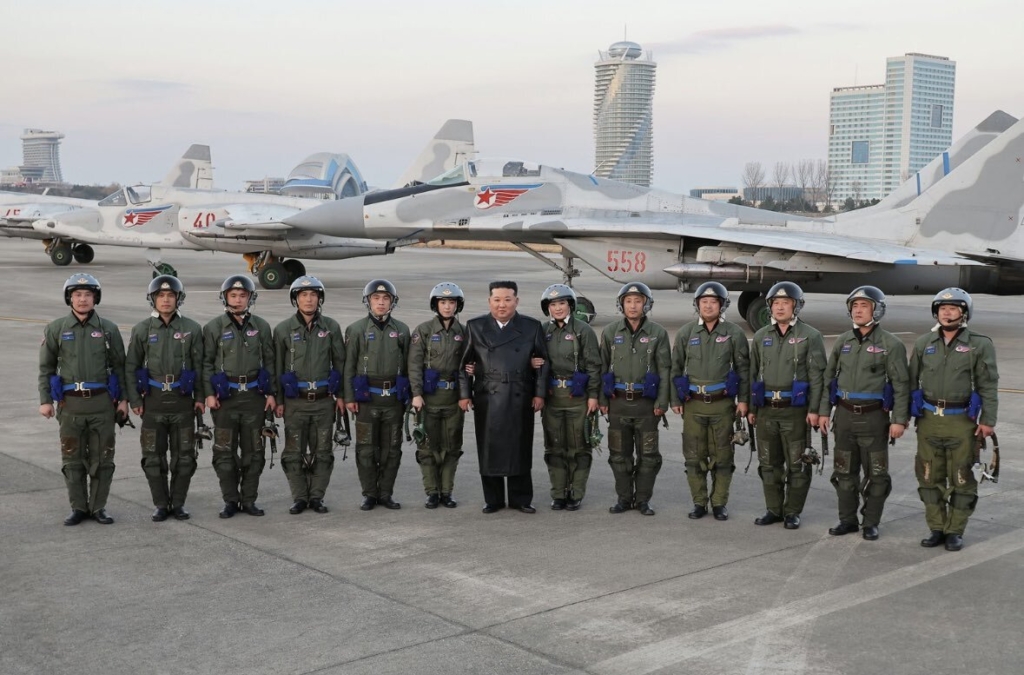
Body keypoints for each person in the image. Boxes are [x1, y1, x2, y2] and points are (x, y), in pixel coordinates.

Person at [909, 288, 998, 551]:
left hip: (962, 423)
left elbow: (988, 386)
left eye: (953, 308)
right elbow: (911, 381)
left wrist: (988, 420)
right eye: (942, 309)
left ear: (964, 312)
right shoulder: (924, 343)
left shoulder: (980, 344)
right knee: (928, 476)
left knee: (961, 477)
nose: (947, 313)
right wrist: (901, 417)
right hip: (928, 420)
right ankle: (936, 528)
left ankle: (955, 531)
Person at [818, 286, 909, 540]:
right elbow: (829, 378)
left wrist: (899, 420)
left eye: (864, 306)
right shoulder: (842, 341)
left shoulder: (891, 344)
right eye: (855, 306)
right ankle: (847, 520)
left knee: (876, 473)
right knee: (844, 471)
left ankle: (870, 522)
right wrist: (824, 411)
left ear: (876, 310)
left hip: (874, 418)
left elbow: (901, 384)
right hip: (844, 417)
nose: (858, 311)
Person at [38, 273, 128, 525]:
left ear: (95, 298)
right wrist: (45, 400)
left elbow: (120, 367)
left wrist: (123, 400)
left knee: (103, 458)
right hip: (70, 405)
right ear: (69, 298)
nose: (82, 299)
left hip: (102, 404)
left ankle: (98, 507)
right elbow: (46, 369)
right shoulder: (56, 329)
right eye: (77, 295)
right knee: (72, 458)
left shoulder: (108, 329)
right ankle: (78, 507)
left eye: (88, 295)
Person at [459, 280, 549, 514]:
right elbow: (464, 364)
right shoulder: (475, 326)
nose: (502, 305)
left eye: (507, 299)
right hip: (488, 396)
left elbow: (542, 363)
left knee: (520, 446)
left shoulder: (531, 327)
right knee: (489, 447)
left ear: (516, 301)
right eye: (497, 300)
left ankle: (521, 499)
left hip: (520, 395)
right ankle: (493, 499)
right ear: (489, 301)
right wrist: (464, 394)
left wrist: (539, 394)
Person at [747, 282, 826, 530]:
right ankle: (773, 509)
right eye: (776, 303)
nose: (780, 307)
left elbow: (817, 377)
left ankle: (792, 511)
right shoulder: (761, 336)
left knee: (798, 464)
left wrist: (815, 410)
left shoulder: (810, 336)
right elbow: (752, 375)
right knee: (768, 463)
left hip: (795, 411)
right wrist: (751, 408)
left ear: (796, 306)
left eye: (785, 303)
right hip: (766, 410)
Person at [125, 275, 205, 522]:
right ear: (153, 299)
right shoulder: (142, 330)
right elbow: (130, 367)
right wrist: (135, 402)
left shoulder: (191, 329)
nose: (166, 300)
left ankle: (178, 503)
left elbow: (200, 367)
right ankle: (160, 503)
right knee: (152, 456)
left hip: (182, 402)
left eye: (171, 295)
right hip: (154, 402)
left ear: (178, 299)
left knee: (184, 456)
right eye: (161, 296)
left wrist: (200, 398)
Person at [670, 281, 750, 521]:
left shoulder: (734, 333)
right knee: (694, 457)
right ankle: (699, 502)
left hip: (723, 405)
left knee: (723, 456)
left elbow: (743, 370)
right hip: (693, 405)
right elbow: (675, 368)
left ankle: (718, 503)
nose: (707, 306)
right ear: (697, 305)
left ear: (722, 305)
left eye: (713, 302)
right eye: (703, 302)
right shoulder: (686, 333)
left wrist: (743, 400)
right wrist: (675, 399)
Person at [202, 275, 276, 518]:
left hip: (254, 398)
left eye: (242, 295)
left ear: (250, 298)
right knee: (224, 452)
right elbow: (207, 364)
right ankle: (230, 501)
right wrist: (209, 394)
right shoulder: (213, 328)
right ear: (225, 298)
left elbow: (270, 362)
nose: (238, 300)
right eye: (233, 295)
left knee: (254, 452)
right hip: (226, 399)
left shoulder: (262, 327)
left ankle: (249, 500)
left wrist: (271, 393)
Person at [273, 276, 346, 515]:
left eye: (313, 295)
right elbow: (277, 368)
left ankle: (317, 497)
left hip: (324, 401)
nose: (308, 299)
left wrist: (342, 397)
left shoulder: (331, 327)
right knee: (294, 453)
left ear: (319, 299)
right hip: (295, 403)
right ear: (295, 299)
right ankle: (299, 497)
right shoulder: (283, 330)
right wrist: (279, 401)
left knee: (323, 452)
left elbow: (340, 364)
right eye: (303, 295)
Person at [598, 282, 670, 516]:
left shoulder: (658, 333)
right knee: (619, 455)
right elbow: (601, 368)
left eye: (638, 301)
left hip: (646, 405)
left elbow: (665, 370)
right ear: (621, 305)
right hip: (618, 403)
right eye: (628, 301)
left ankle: (642, 500)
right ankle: (623, 498)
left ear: (646, 304)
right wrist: (602, 399)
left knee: (648, 456)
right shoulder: (610, 332)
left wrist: (662, 402)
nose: (632, 306)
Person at [343, 279, 410, 511]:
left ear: (392, 302)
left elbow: (410, 366)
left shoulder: (402, 330)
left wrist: (409, 398)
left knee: (392, 448)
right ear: (368, 301)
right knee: (366, 449)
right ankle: (369, 494)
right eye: (376, 298)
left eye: (385, 299)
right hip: (366, 400)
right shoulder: (356, 330)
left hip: (393, 400)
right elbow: (348, 367)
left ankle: (386, 494)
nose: (381, 303)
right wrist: (350, 397)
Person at [539, 284, 601, 510]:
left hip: (578, 398)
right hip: (552, 397)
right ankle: (558, 493)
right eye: (553, 304)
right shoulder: (543, 331)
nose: (558, 308)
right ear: (548, 308)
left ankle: (576, 493)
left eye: (562, 303)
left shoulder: (583, 331)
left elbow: (594, 366)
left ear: (570, 306)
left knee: (579, 447)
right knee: (554, 447)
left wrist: (593, 396)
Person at [408, 282, 468, 509]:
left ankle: (447, 491)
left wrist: (466, 394)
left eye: (451, 302)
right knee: (427, 447)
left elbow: (469, 365)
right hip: (428, 398)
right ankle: (432, 491)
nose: (447, 306)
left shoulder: (463, 333)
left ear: (457, 305)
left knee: (452, 447)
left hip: (453, 398)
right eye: (443, 302)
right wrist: (416, 394)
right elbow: (414, 365)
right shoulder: (423, 331)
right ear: (436, 304)